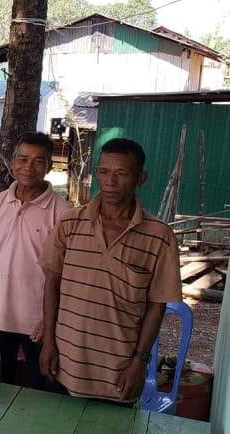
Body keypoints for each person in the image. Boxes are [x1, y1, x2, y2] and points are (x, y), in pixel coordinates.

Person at [38, 138, 181, 404]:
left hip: (118, 376)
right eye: (104, 172)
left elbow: (157, 306)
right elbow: (51, 284)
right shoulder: (69, 223)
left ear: (140, 178)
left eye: (121, 173)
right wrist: (48, 343)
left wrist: (139, 361)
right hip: (64, 367)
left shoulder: (159, 237)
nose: (110, 182)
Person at [0, 132, 71, 389]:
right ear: (13, 162)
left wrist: (49, 321)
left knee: (41, 387)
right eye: (23, 159)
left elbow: (64, 273)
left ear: (49, 166)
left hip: (37, 320)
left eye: (38, 161)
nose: (29, 167)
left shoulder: (62, 212)